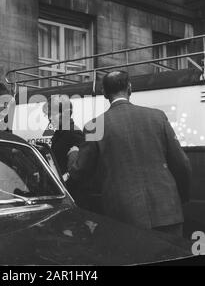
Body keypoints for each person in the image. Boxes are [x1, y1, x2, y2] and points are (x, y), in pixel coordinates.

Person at [69, 71, 191, 237]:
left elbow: (79, 171)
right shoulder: (157, 117)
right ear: (130, 88)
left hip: (124, 217)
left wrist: (73, 154)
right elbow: (182, 164)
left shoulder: (95, 126)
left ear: (104, 92)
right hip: (168, 212)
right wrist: (179, 198)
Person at [43, 95, 86, 204]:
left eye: (52, 114)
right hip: (61, 191)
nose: (49, 118)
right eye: (48, 114)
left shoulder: (74, 133)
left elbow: (81, 168)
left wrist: (64, 178)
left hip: (71, 195)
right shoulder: (60, 132)